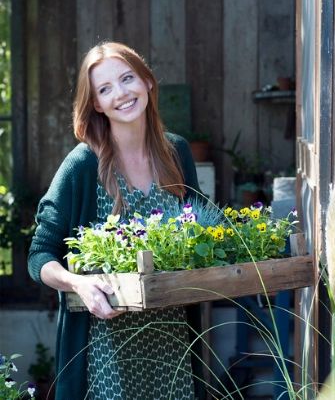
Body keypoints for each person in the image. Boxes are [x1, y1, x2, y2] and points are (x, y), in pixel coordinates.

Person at [27, 42, 203, 399]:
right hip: (105, 352)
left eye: (127, 79)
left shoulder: (176, 153)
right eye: (105, 89)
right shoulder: (83, 165)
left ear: (147, 82)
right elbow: (39, 255)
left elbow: (201, 230)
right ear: (96, 104)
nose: (120, 94)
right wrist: (78, 283)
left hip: (174, 346)